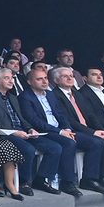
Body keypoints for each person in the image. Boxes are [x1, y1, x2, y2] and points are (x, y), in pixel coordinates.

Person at [0, 68, 61, 196]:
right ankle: (23, 182)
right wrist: (14, 132)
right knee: (28, 149)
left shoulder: (13, 97)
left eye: (12, 78)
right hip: (5, 134)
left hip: (22, 132)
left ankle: (41, 179)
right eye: (6, 78)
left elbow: (22, 118)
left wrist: (30, 129)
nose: (11, 81)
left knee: (55, 148)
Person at [18, 69, 85, 198]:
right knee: (67, 144)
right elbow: (34, 121)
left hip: (59, 130)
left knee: (93, 142)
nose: (44, 81)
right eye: (39, 79)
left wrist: (67, 128)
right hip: (41, 132)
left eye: (45, 78)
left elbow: (61, 114)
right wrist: (60, 131)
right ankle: (67, 182)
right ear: (29, 82)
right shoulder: (25, 97)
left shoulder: (50, 94)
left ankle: (89, 179)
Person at [49, 68, 104, 195]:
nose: (70, 78)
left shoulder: (77, 94)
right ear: (56, 80)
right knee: (96, 142)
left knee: (103, 139)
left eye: (71, 76)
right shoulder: (55, 95)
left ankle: (102, 177)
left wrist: (99, 129)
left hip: (85, 129)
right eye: (65, 76)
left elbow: (90, 115)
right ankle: (87, 180)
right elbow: (69, 120)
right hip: (71, 130)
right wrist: (92, 132)